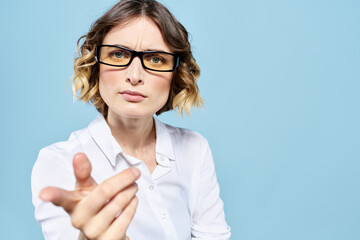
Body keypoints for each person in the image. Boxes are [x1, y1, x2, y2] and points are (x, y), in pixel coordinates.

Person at [31, 0, 231, 239]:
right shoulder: (58, 162)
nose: (134, 76)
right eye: (117, 54)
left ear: (176, 73)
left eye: (156, 59)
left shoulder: (195, 149)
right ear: (95, 64)